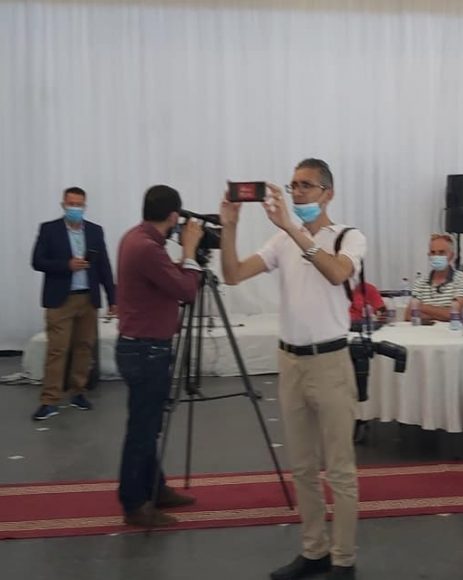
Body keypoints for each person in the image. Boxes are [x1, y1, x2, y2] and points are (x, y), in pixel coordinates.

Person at [220, 159, 364, 580]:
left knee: (340, 469)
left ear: (327, 193)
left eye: (306, 185)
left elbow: (337, 273)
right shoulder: (282, 240)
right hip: (292, 361)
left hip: (331, 362)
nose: (297, 193)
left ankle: (343, 559)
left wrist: (292, 229)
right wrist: (229, 226)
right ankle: (314, 550)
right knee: (302, 466)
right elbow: (233, 275)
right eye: (293, 185)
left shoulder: (348, 237)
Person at [114, 185, 202, 527]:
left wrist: (180, 263)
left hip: (140, 347)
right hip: (146, 351)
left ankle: (155, 488)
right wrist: (191, 253)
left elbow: (162, 278)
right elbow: (187, 291)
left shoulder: (135, 238)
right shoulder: (148, 248)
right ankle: (134, 503)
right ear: (174, 216)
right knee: (143, 429)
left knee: (147, 426)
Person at [30, 187, 117, 421]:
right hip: (61, 300)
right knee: (57, 350)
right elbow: (37, 261)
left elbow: (104, 266)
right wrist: (66, 265)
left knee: (84, 348)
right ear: (63, 205)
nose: (75, 208)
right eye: (71, 204)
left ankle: (78, 391)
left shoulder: (95, 231)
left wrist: (112, 298)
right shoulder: (49, 230)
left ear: (85, 206)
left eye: (79, 205)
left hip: (88, 299)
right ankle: (49, 400)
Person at [407, 234, 463, 322]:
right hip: (424, 330)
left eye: (441, 252)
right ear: (429, 255)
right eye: (433, 253)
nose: (436, 256)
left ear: (451, 256)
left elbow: (454, 313)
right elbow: (408, 315)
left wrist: (421, 307)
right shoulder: (420, 282)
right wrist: (441, 314)